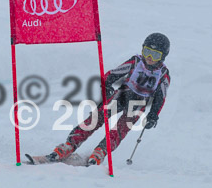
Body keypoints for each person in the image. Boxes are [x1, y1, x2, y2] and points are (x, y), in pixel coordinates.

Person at [49, 32, 171, 166]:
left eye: (155, 55)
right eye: (147, 51)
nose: (149, 57)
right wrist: (106, 84)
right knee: (95, 118)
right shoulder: (136, 61)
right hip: (122, 95)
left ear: (163, 57)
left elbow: (161, 97)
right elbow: (114, 73)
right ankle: (69, 145)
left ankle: (100, 151)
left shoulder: (164, 75)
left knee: (119, 130)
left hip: (138, 105)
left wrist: (153, 115)